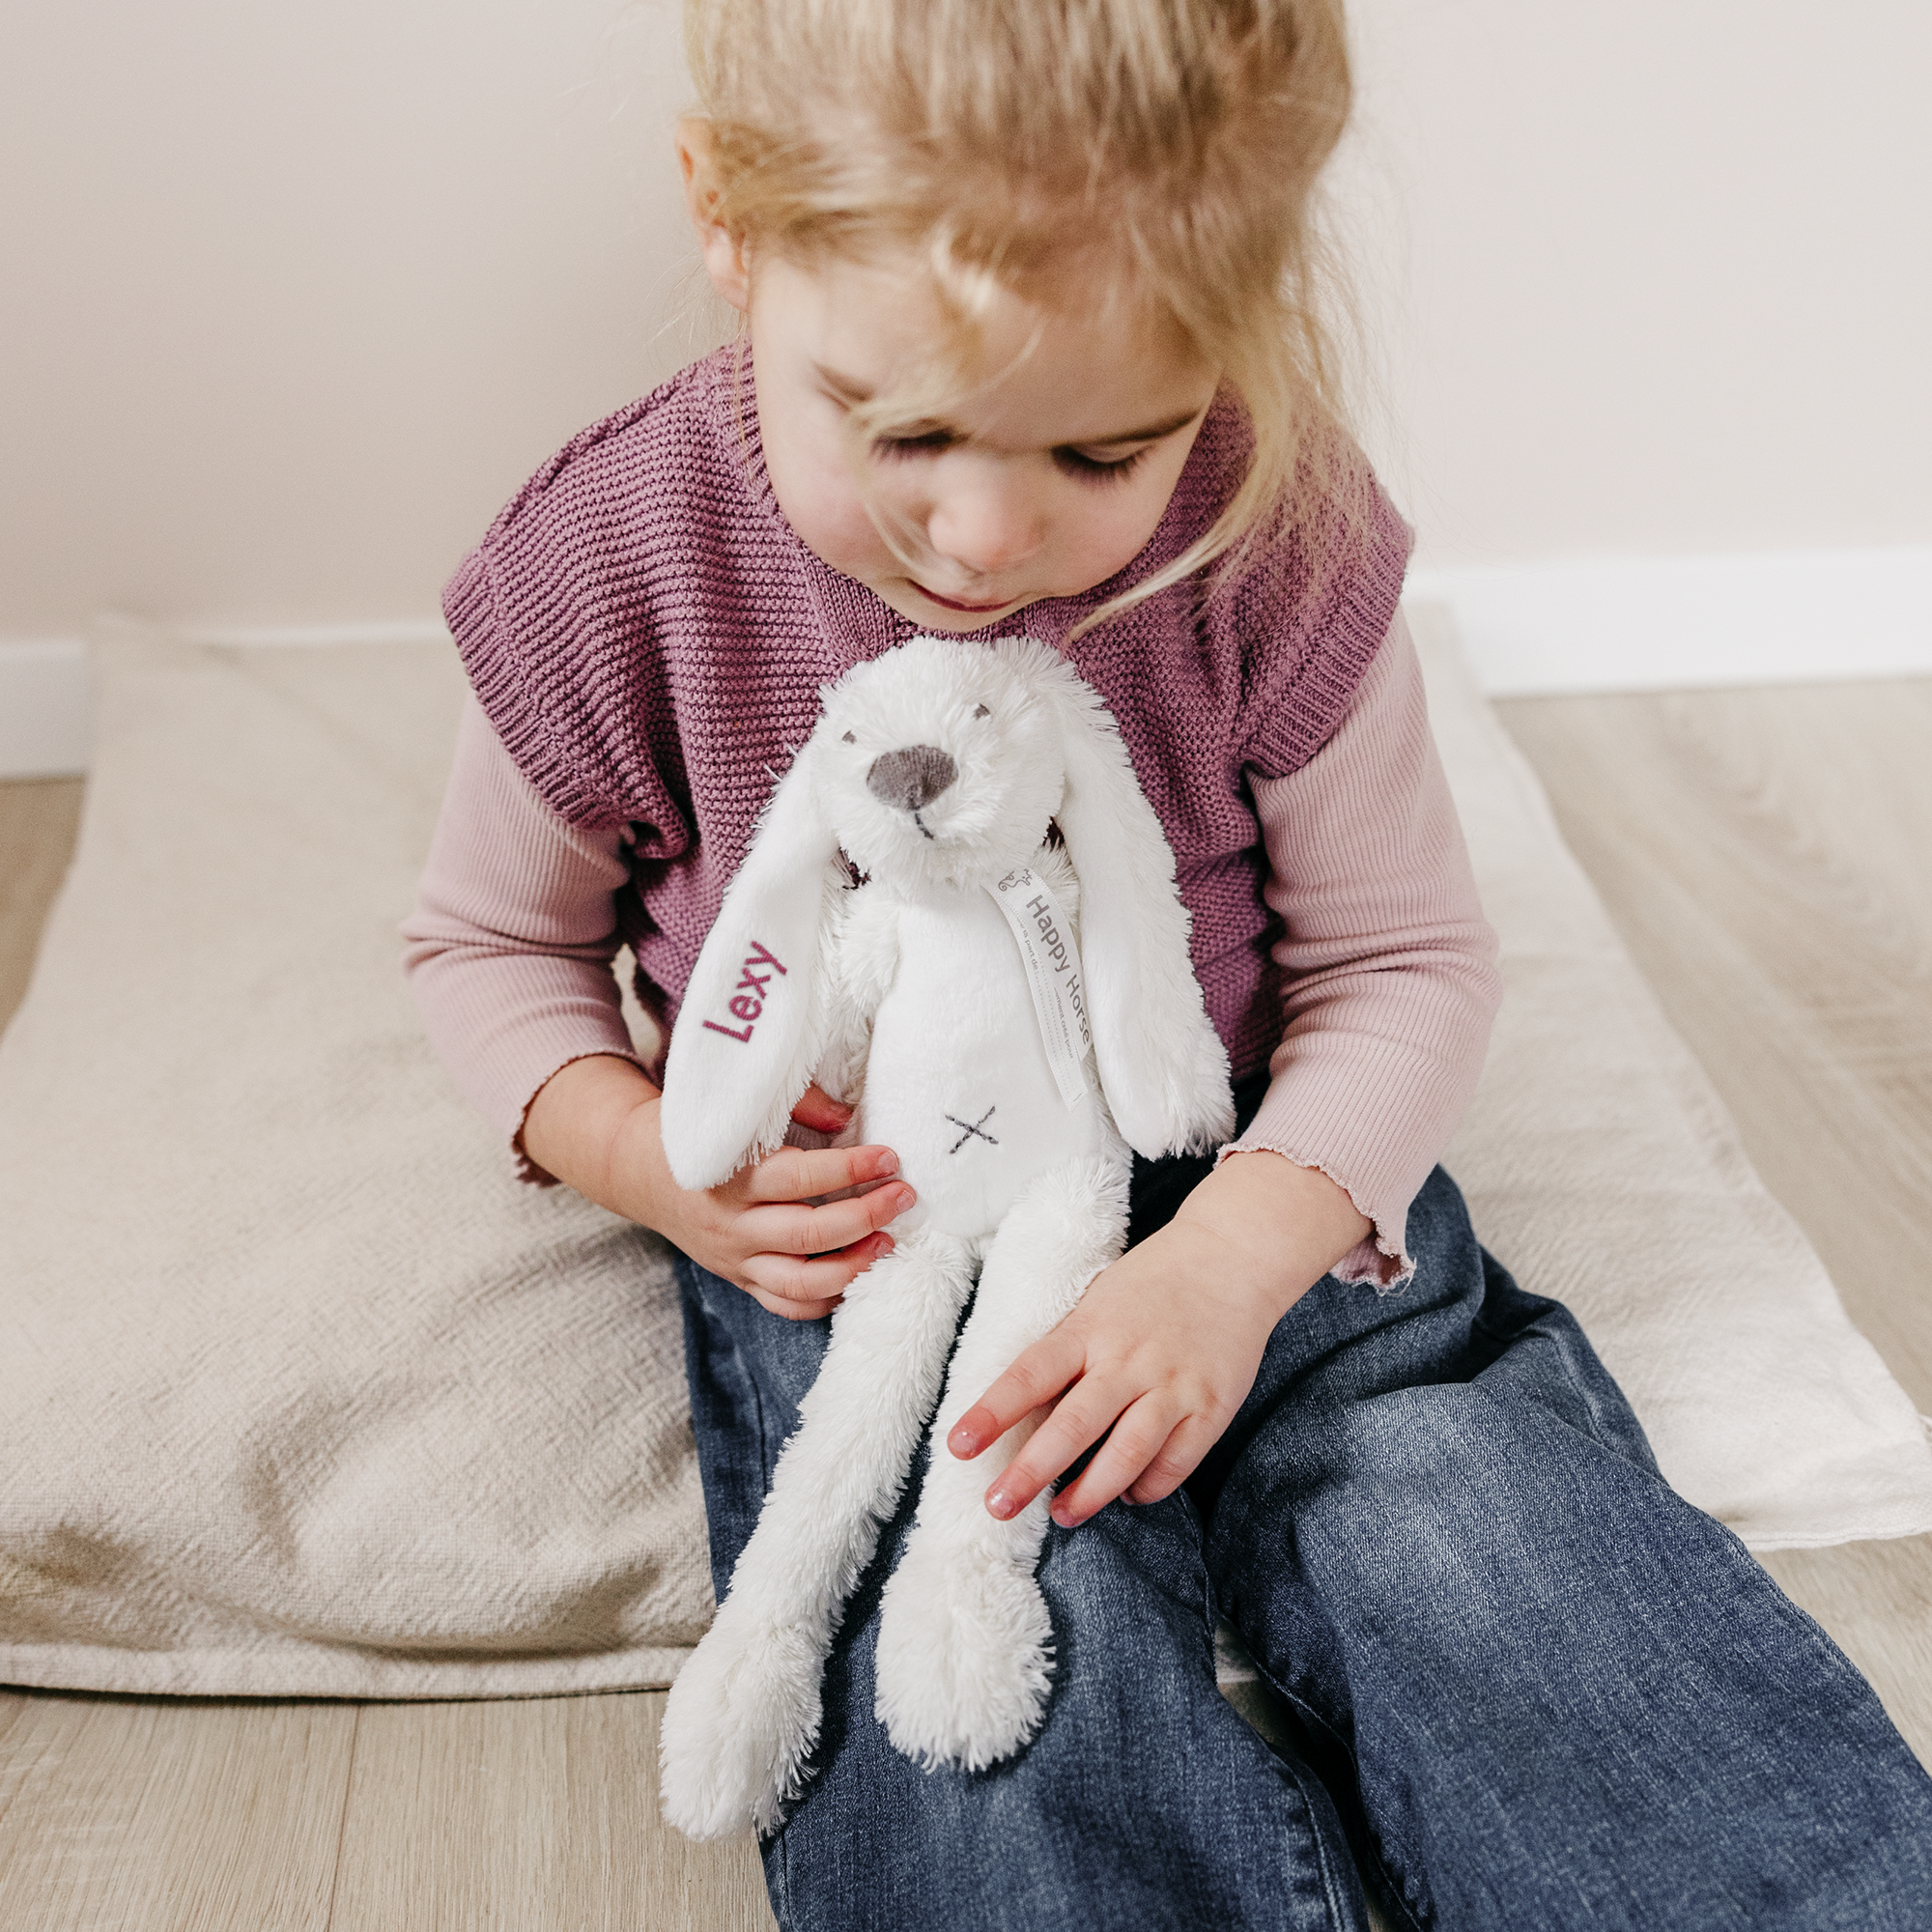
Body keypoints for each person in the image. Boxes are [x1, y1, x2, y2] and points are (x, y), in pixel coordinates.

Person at [402, 2, 1932, 1924]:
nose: (983, 534)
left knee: (1478, 1529)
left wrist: (1227, 1258)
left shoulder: (1274, 530)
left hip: (1246, 1165)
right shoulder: (607, 559)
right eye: (904, 430)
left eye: (1101, 449)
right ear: (724, 214)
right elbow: (485, 946)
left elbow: (1402, 961)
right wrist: (653, 1165)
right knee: (970, 1690)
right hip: (876, 1226)